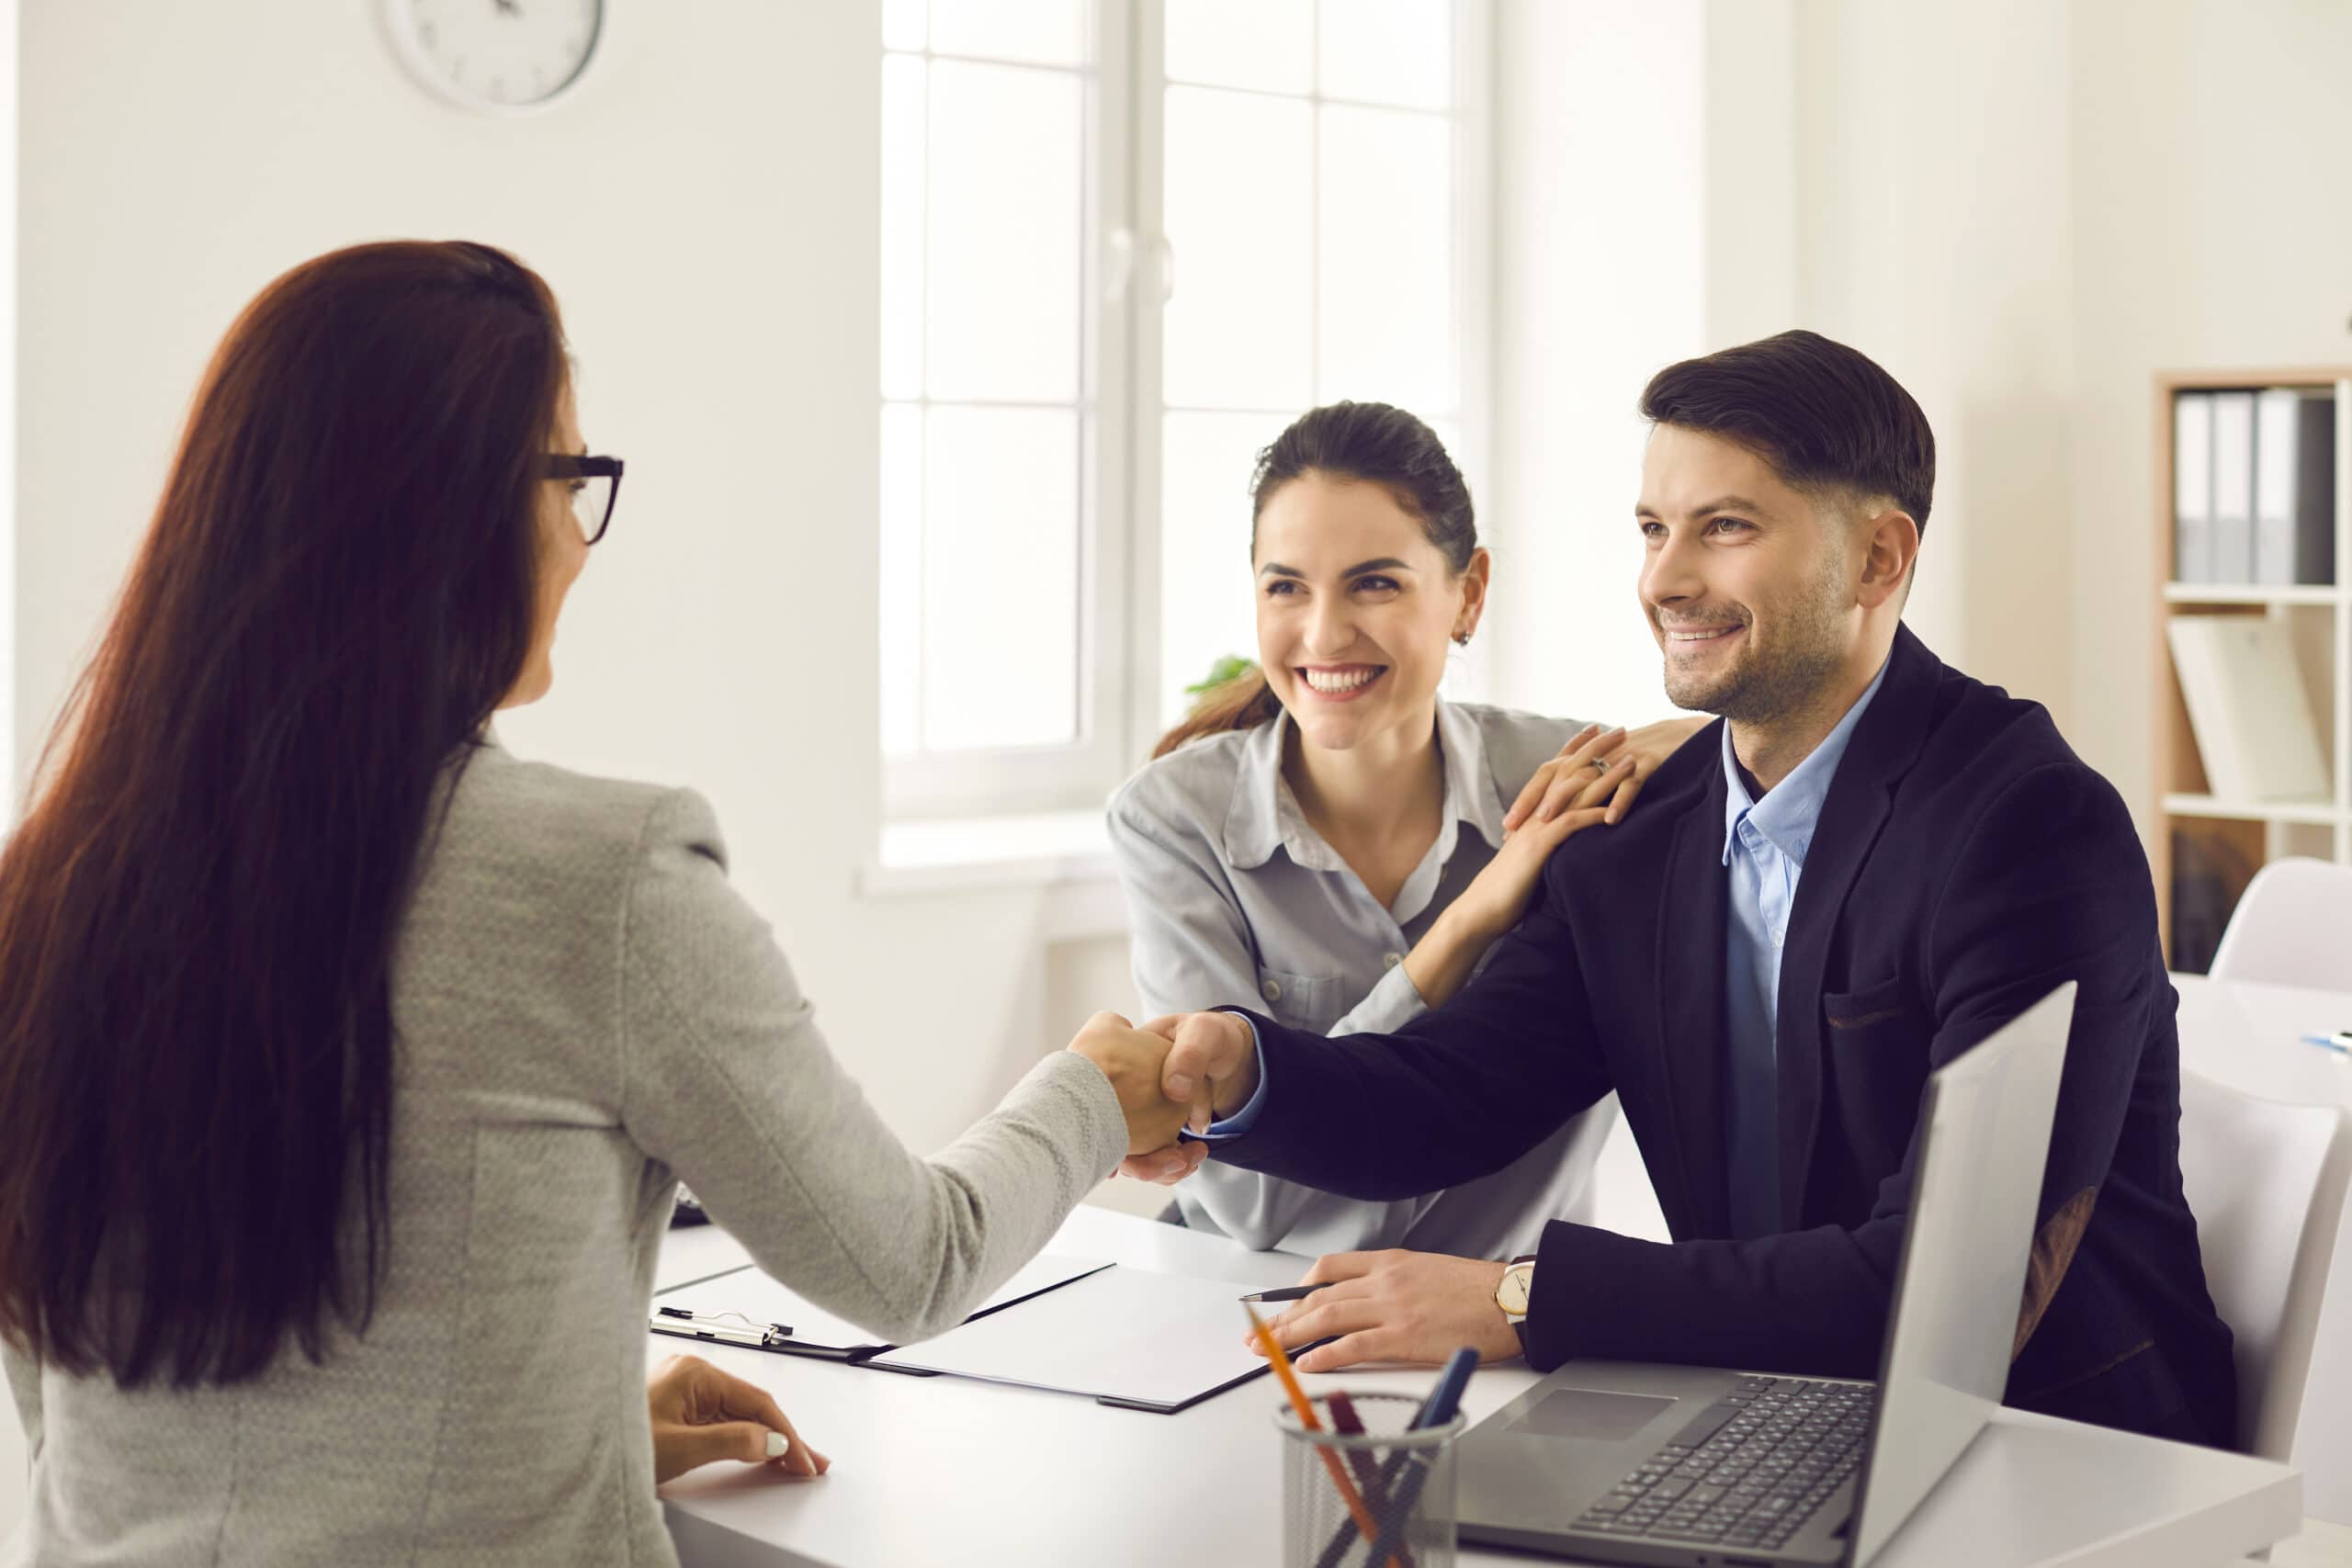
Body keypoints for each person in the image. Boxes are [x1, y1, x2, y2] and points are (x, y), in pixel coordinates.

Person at [0, 241, 1182, 1567]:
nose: (579, 533)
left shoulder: (44, 892)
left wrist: (585, 1422)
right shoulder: (601, 878)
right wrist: (1092, 1091)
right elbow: (907, 1259)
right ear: (443, 513)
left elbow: (90, 1411)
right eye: (566, 474)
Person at [1126, 331, 2237, 1446]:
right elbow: (1447, 1094)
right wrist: (1244, 1070)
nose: (1665, 578)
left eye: (1726, 528)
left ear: (1878, 560)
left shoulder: (2029, 828)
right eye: (1654, 530)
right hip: (1770, 1416)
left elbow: (1947, 1286)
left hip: (2054, 1443)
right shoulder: (1638, 829)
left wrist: (1522, 1297)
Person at [1110, 400, 1703, 1258]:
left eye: (1374, 582)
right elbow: (1248, 1201)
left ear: (1469, 593)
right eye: (1286, 586)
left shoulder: (1571, 786)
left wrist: (1695, 737)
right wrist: (1469, 922)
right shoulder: (1173, 821)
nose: (1323, 632)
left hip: (1514, 1326)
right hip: (1245, 1319)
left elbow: (1778, 744)